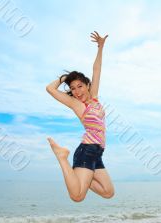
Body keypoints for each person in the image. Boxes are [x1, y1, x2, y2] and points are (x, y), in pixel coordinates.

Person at [46, 31, 114, 202]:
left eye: (79, 86)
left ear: (87, 85)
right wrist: (64, 78)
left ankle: (84, 176)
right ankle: (62, 157)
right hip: (86, 151)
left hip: (97, 153)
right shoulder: (77, 105)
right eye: (73, 88)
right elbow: (50, 89)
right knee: (77, 196)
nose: (76, 92)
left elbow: (97, 69)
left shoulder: (95, 98)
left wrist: (100, 47)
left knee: (108, 192)